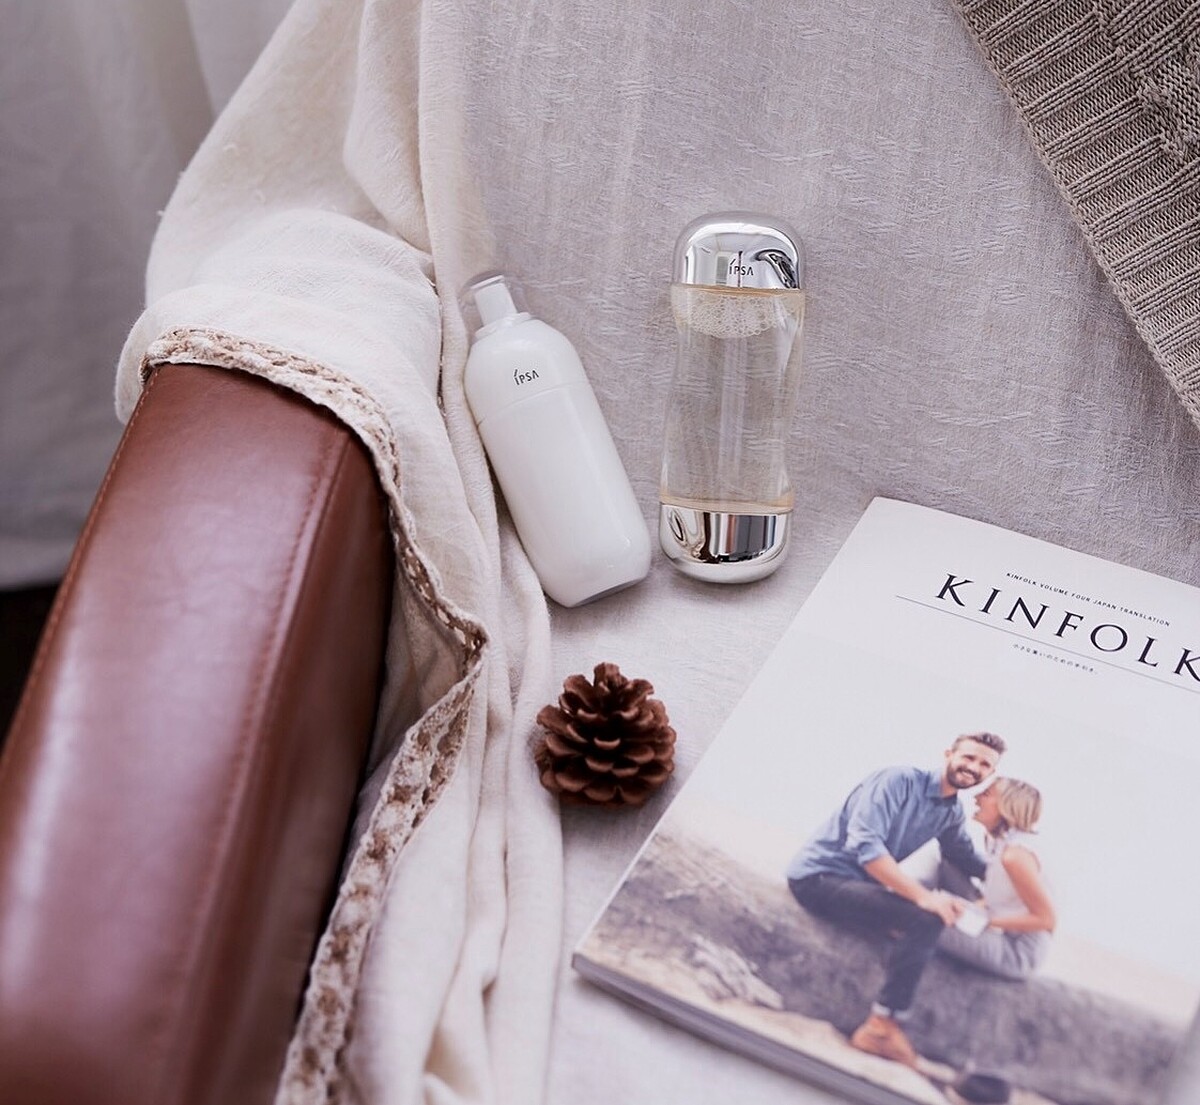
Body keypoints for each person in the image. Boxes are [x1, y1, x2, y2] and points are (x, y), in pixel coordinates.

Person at [786, 732, 1006, 1067]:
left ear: (990, 773)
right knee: (927, 917)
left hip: (858, 887)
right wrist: (924, 898)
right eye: (968, 757)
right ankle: (881, 1028)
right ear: (949, 754)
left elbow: (965, 858)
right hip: (819, 878)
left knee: (928, 919)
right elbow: (866, 847)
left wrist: (1017, 874)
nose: (974, 767)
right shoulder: (898, 780)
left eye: (984, 764)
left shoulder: (950, 812)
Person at [936, 778, 1055, 980]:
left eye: (986, 794)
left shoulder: (1014, 856)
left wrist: (981, 920)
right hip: (999, 927)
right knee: (946, 868)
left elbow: (1047, 920)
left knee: (921, 922)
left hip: (1016, 951)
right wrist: (972, 909)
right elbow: (1004, 896)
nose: (976, 797)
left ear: (1007, 807)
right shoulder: (999, 843)